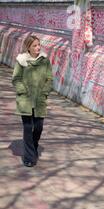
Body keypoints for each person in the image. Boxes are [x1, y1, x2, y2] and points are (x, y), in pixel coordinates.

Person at [12, 35, 53, 167]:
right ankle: (29, 157)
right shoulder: (21, 61)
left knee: (39, 127)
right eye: (34, 45)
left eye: (39, 45)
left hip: (40, 100)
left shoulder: (45, 61)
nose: (38, 47)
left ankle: (32, 147)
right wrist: (23, 91)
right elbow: (16, 79)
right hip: (25, 100)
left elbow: (49, 79)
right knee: (28, 128)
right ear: (28, 47)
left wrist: (45, 92)